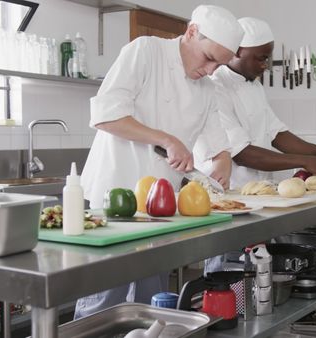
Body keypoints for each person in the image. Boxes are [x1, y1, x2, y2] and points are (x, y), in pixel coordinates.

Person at [75, 5, 244, 319]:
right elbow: (105, 116)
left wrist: (223, 162)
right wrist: (165, 139)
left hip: (159, 211)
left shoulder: (206, 88)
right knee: (103, 304)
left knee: (152, 304)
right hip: (112, 201)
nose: (210, 71)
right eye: (208, 58)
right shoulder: (145, 52)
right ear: (192, 32)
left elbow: (217, 142)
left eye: (218, 65)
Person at [195, 17, 316, 273]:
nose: (266, 65)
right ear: (237, 51)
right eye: (260, 58)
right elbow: (242, 154)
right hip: (228, 198)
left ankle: (256, 307)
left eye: (268, 58)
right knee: (226, 270)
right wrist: (305, 161)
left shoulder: (253, 85)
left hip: (257, 199)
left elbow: (278, 134)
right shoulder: (215, 86)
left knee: (257, 270)